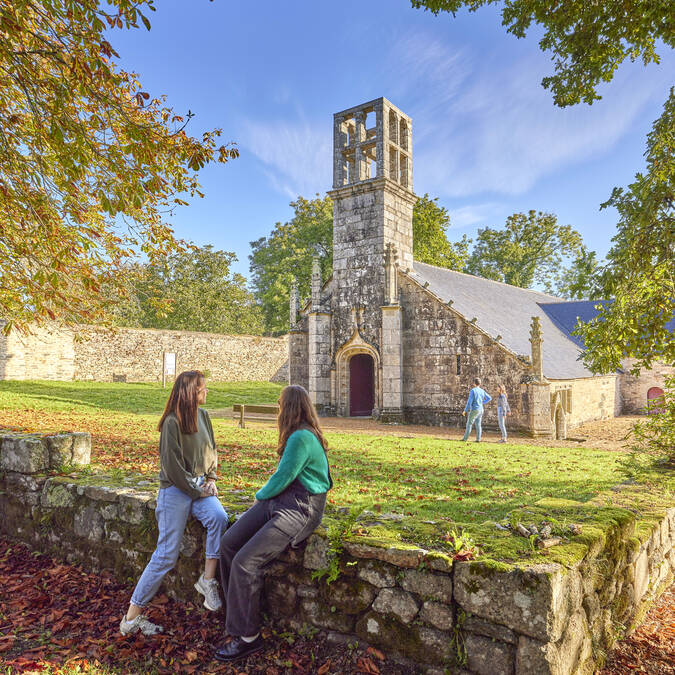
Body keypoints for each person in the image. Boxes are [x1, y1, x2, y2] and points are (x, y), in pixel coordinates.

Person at [214, 385, 332, 662]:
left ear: (288, 407)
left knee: (246, 561)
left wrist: (258, 499)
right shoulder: (297, 435)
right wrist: (264, 502)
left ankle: (248, 637)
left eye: (280, 405)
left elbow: (283, 477)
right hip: (280, 501)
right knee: (229, 543)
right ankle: (236, 618)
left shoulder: (302, 437)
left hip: (300, 509)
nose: (278, 410)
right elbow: (282, 477)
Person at [120, 370, 229, 636]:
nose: (206, 392)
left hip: (200, 488)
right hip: (175, 491)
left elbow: (212, 451)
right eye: (202, 388)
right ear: (191, 392)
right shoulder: (171, 422)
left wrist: (212, 478)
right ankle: (131, 618)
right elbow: (172, 466)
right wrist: (197, 492)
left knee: (219, 518)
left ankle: (207, 580)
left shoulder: (204, 416)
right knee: (166, 555)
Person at [461, 377, 492, 442]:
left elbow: (469, 402)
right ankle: (478, 439)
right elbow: (489, 398)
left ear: (474, 383)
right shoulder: (482, 391)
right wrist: (482, 403)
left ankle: (465, 438)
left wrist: (465, 410)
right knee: (478, 425)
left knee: (469, 423)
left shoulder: (473, 391)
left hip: (475, 409)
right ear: (480, 384)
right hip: (481, 409)